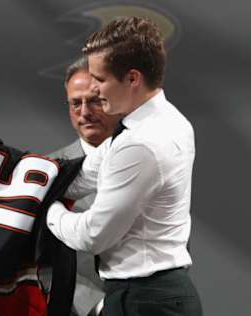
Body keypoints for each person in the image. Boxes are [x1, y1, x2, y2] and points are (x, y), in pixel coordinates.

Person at [46, 16, 202, 316]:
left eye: (100, 80)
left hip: (144, 301)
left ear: (132, 79)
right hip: (153, 296)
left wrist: (48, 210)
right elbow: (89, 171)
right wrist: (36, 178)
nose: (96, 90)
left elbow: (93, 235)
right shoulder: (167, 120)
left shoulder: (140, 144)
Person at [50, 56, 119, 316]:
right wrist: (97, 306)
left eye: (94, 100)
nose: (85, 112)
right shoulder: (45, 173)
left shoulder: (150, 156)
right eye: (75, 103)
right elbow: (38, 263)